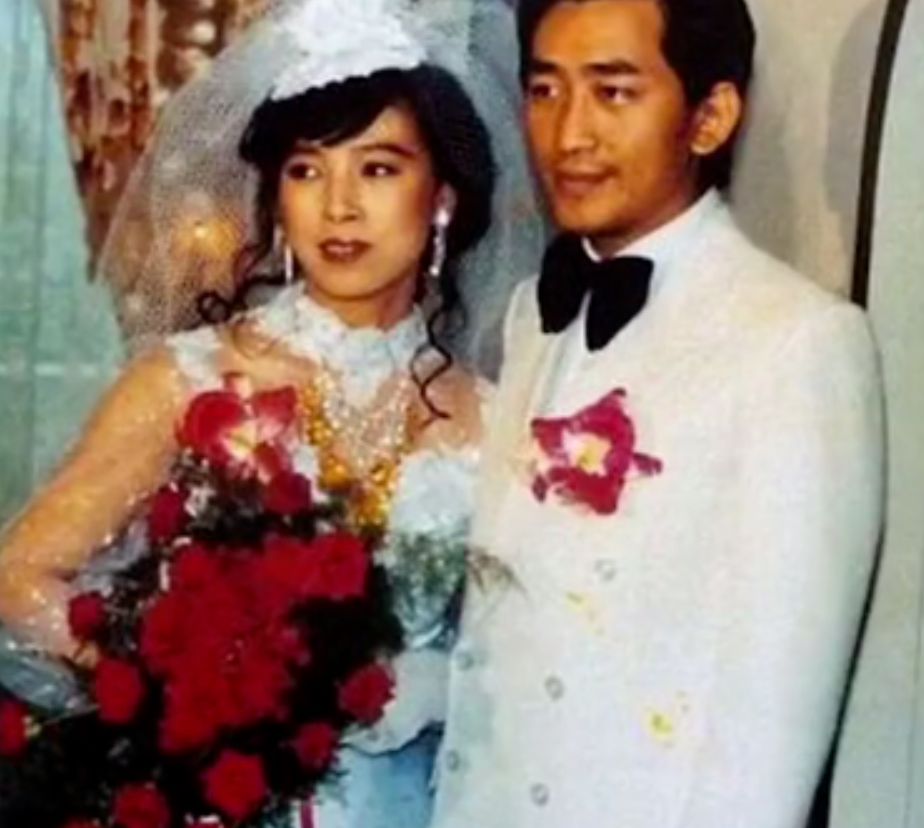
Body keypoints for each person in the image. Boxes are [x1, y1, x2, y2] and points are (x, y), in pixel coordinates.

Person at [0, 0, 540, 826]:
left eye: (379, 168)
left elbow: (541, 650)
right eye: (306, 170)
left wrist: (451, 685)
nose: (339, 206)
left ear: (441, 197)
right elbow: (20, 575)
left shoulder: (495, 417)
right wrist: (168, 684)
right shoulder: (187, 382)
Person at [431, 1, 885, 827]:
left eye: (613, 92)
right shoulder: (533, 312)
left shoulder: (796, 343)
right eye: (545, 90)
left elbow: (771, 730)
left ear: (710, 117)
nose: (569, 134)